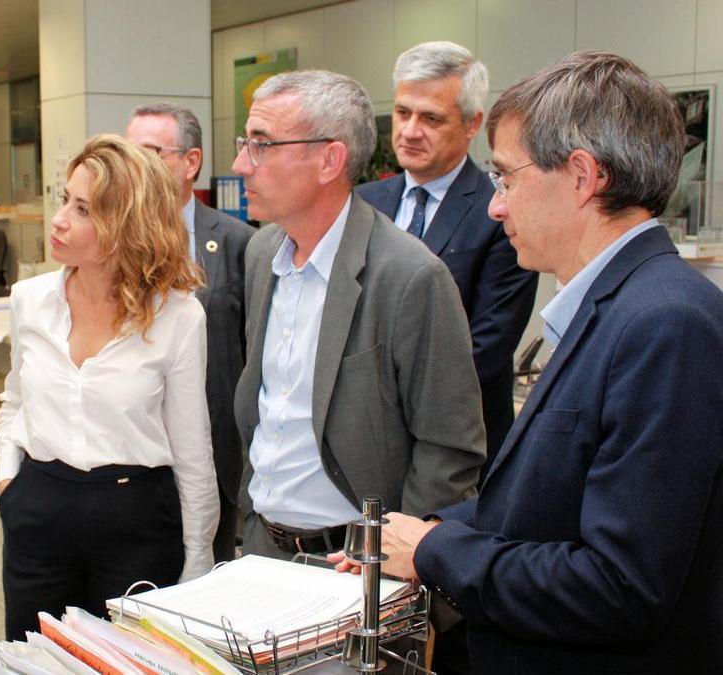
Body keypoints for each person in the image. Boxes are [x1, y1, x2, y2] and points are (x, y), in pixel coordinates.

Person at [333, 52, 723, 674]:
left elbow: (618, 587)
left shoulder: (664, 323)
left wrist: (438, 550)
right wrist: (418, 531)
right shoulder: (619, 304)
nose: (495, 205)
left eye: (507, 178)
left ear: (580, 177)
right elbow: (545, 504)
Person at [230, 70, 484, 562]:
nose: (242, 163)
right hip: (263, 548)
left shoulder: (410, 276)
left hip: (351, 563)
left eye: (262, 145)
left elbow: (449, 449)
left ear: (329, 160)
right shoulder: (262, 253)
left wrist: (392, 566)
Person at [0, 134, 218, 640]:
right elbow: (14, 401)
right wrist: (8, 481)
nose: (59, 219)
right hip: (39, 512)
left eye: (83, 209)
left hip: (135, 520)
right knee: (34, 661)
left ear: (127, 227)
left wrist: (198, 558)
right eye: (63, 200)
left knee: (133, 660)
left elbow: (192, 450)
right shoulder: (29, 301)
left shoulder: (178, 317)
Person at [356, 42, 537, 472]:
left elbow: (486, 349)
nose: (410, 130)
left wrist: (377, 396)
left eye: (431, 118)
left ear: (473, 123)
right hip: (363, 446)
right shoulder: (362, 204)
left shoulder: (499, 213)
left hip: (455, 451)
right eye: (403, 113)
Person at [125, 102, 253, 563]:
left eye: (151, 151)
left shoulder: (239, 242)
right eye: (127, 150)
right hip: (132, 453)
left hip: (213, 456)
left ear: (190, 163)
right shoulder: (109, 242)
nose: (134, 163)